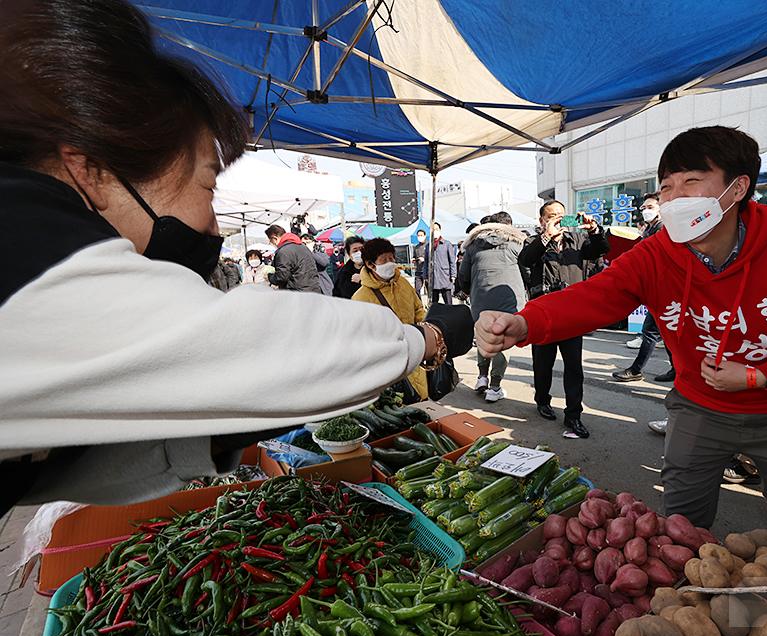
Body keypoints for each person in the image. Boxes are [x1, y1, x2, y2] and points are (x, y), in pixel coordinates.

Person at [0, 0, 470, 514]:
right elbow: (248, 339)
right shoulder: (19, 235)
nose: (212, 222)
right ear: (92, 170)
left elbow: (73, 462)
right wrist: (424, 338)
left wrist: (216, 436)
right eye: (208, 184)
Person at [477, 126, 767, 555]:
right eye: (665, 186)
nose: (673, 197)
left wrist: (762, 376)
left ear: (737, 188)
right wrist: (524, 323)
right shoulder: (656, 253)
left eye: (691, 181)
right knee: (677, 529)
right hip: (699, 409)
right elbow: (594, 297)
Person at [520, 199, 610, 439]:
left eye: (562, 214)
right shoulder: (533, 241)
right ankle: (542, 401)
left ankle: (574, 415)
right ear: (542, 220)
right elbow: (526, 260)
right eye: (552, 216)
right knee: (543, 363)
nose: (559, 219)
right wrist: (546, 237)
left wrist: (594, 230)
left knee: (574, 367)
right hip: (543, 310)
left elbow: (601, 249)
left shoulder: (578, 240)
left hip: (571, 312)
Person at [457, 212, 527, 402]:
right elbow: (527, 271)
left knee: (484, 334)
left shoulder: (472, 247)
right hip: (509, 300)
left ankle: (482, 377)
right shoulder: (516, 245)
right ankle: (495, 387)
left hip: (481, 300)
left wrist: (469, 290)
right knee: (503, 340)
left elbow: (463, 276)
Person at [352, 238, 428, 401]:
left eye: (392, 258)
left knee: (423, 404)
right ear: (370, 264)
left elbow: (418, 309)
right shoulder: (360, 298)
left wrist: (425, 333)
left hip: (415, 355)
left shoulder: (403, 284)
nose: (390, 262)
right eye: (384, 260)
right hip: (389, 367)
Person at [616, 192, 675, 383]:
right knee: (665, 333)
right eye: (644, 208)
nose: (646, 211)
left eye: (651, 207)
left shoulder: (663, 229)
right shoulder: (651, 229)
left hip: (664, 289)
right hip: (657, 288)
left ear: (661, 209)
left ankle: (636, 370)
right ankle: (677, 369)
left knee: (650, 331)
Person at [264, 224, 322, 293]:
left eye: (271, 241)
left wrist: (270, 277)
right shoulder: (303, 247)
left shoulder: (284, 251)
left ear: (275, 238)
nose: (272, 244)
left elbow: (281, 277)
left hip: (297, 293)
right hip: (313, 289)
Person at [424, 222, 457, 305]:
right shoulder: (428, 246)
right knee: (434, 303)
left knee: (448, 302)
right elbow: (426, 262)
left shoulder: (447, 244)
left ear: (440, 231)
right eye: (433, 229)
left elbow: (452, 261)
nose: (435, 231)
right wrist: (425, 276)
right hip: (432, 277)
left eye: (436, 229)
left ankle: (450, 317)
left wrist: (453, 275)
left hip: (444, 276)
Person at [413, 228, 428, 298]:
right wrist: (414, 259)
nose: (420, 237)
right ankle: (419, 304)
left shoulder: (428, 246)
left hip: (427, 271)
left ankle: (431, 304)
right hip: (418, 271)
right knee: (417, 289)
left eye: (421, 235)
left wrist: (424, 259)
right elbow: (414, 256)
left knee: (429, 290)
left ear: (425, 236)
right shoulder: (416, 247)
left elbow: (433, 258)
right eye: (418, 235)